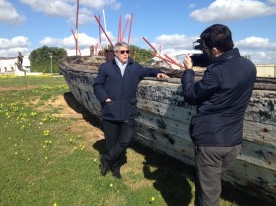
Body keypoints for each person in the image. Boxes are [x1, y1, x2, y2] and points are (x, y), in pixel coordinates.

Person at [181, 24, 256, 206]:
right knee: (209, 186)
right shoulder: (249, 66)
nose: (205, 52)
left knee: (209, 198)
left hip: (211, 144)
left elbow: (191, 96)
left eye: (206, 49)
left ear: (214, 50)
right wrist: (200, 59)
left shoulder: (216, 73)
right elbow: (224, 62)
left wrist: (188, 71)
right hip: (233, 142)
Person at [93, 41, 169, 179]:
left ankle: (106, 159)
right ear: (115, 53)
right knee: (112, 142)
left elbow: (147, 70)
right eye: (123, 52)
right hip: (111, 110)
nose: (126, 54)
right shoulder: (106, 67)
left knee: (126, 139)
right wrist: (106, 99)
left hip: (128, 109)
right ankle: (115, 168)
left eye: (127, 51)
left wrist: (158, 72)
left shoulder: (134, 67)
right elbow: (98, 85)